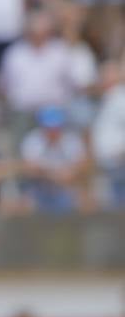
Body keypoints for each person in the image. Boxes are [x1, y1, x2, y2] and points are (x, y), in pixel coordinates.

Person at [19, 105, 90, 214]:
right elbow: (29, 169)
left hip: (67, 188)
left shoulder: (71, 140)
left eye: (56, 127)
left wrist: (69, 174)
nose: (53, 132)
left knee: (85, 201)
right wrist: (54, 175)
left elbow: (81, 165)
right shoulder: (33, 140)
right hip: (40, 188)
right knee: (24, 204)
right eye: (49, 128)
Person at [93, 60, 125, 209]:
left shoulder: (120, 98)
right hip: (108, 166)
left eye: (107, 75)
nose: (102, 78)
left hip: (120, 164)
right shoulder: (107, 98)